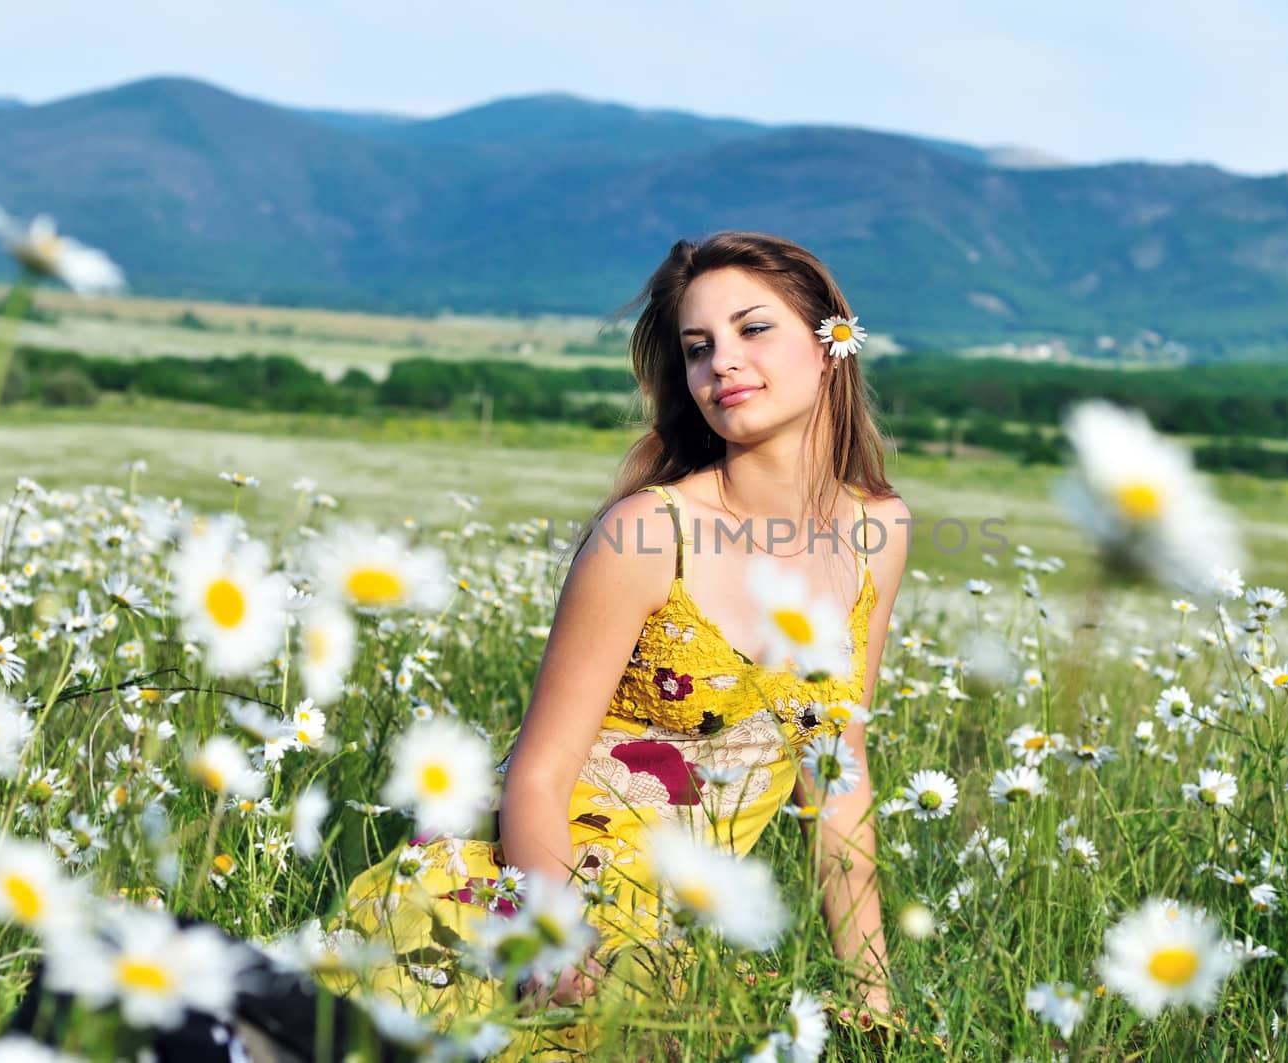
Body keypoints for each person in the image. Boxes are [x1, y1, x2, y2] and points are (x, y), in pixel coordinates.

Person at [323, 231, 913, 1059]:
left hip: (673, 928)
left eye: (753, 330)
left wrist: (872, 1002)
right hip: (534, 892)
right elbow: (538, 771)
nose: (722, 365)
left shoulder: (878, 529)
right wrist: (557, 941)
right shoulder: (649, 531)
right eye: (698, 347)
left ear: (830, 346)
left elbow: (837, 774)